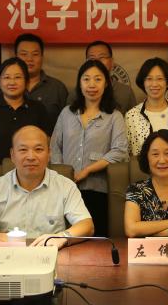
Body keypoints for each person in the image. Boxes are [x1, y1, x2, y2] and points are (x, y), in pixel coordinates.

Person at [0, 125, 94, 246]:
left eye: (38, 149)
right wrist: (6, 239)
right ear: (12, 155)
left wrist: (61, 237)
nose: (31, 157)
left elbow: (87, 225)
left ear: (49, 154)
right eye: (23, 150)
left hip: (51, 254)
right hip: (8, 254)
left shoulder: (65, 186)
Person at [51, 60, 128, 236]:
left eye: (97, 79)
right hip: (65, 188)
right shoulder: (67, 113)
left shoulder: (114, 116)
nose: (91, 85)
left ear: (106, 83)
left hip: (97, 188)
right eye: (86, 79)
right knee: (65, 237)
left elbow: (120, 151)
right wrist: (62, 176)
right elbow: (55, 147)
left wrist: (87, 170)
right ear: (79, 83)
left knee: (95, 239)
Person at [0, 57, 48, 166]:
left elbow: (46, 144)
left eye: (18, 77)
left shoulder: (38, 108)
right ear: (0, 82)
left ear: (27, 82)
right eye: (7, 77)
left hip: (30, 169)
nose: (12, 82)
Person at [124, 57, 168, 160]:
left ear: (167, 83)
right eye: (149, 79)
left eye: (160, 79)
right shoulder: (131, 116)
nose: (154, 84)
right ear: (143, 82)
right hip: (142, 170)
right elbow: (126, 154)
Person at [66, 40, 137, 114]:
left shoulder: (126, 91)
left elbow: (135, 118)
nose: (97, 62)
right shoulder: (75, 94)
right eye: (92, 58)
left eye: (102, 57)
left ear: (112, 62)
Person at [15, 33, 68, 127]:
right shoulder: (6, 86)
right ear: (16, 57)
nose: (29, 59)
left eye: (35, 54)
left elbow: (68, 123)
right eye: (24, 54)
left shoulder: (57, 88)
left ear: (42, 57)